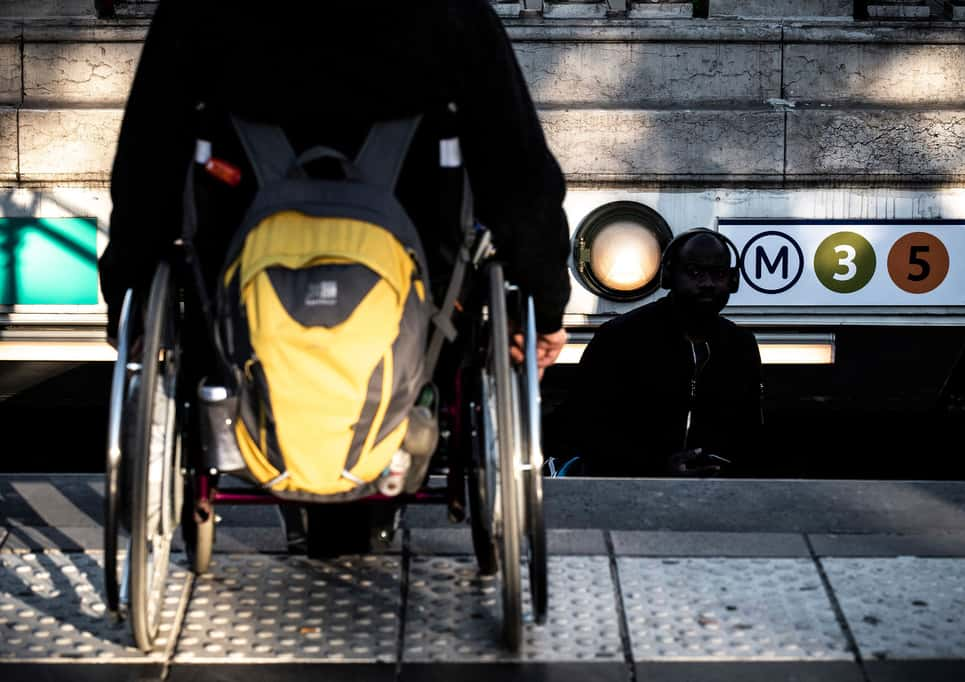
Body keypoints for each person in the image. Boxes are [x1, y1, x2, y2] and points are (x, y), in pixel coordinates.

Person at [98, 1, 570, 552]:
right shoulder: (452, 14)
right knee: (450, 295)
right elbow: (520, 180)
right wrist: (543, 309)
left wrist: (126, 296)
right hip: (423, 317)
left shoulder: (199, 13)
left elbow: (146, 169)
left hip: (238, 296)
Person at [562, 228, 763, 477]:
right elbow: (584, 428)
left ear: (732, 281)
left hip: (717, 499)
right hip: (629, 494)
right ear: (669, 276)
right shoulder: (620, 337)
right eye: (694, 272)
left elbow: (751, 435)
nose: (708, 283)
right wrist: (658, 466)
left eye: (718, 273)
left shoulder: (740, 345)